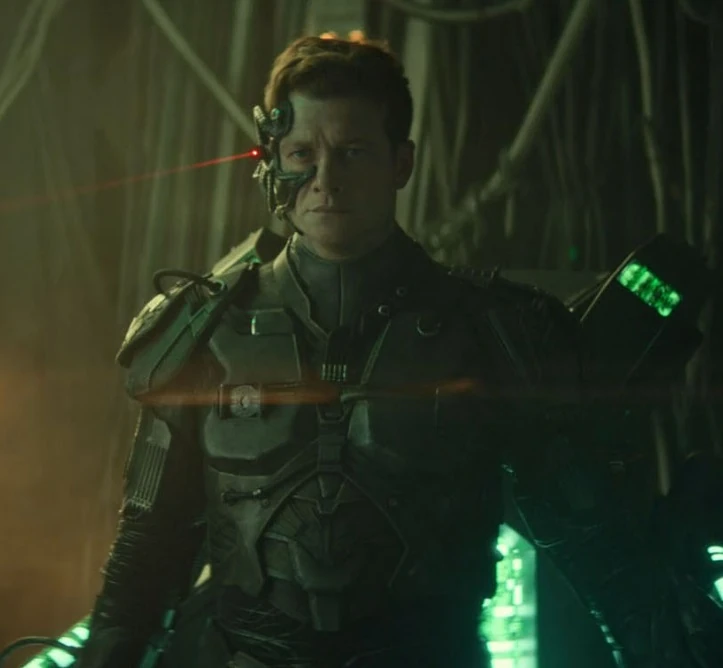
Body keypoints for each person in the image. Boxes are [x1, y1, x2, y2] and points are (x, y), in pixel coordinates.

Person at [76, 36, 689, 668]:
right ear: (275, 163)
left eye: (353, 152)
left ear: (401, 163)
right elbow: (147, 550)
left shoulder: (494, 332)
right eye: (303, 154)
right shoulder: (204, 333)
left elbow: (594, 543)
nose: (326, 181)